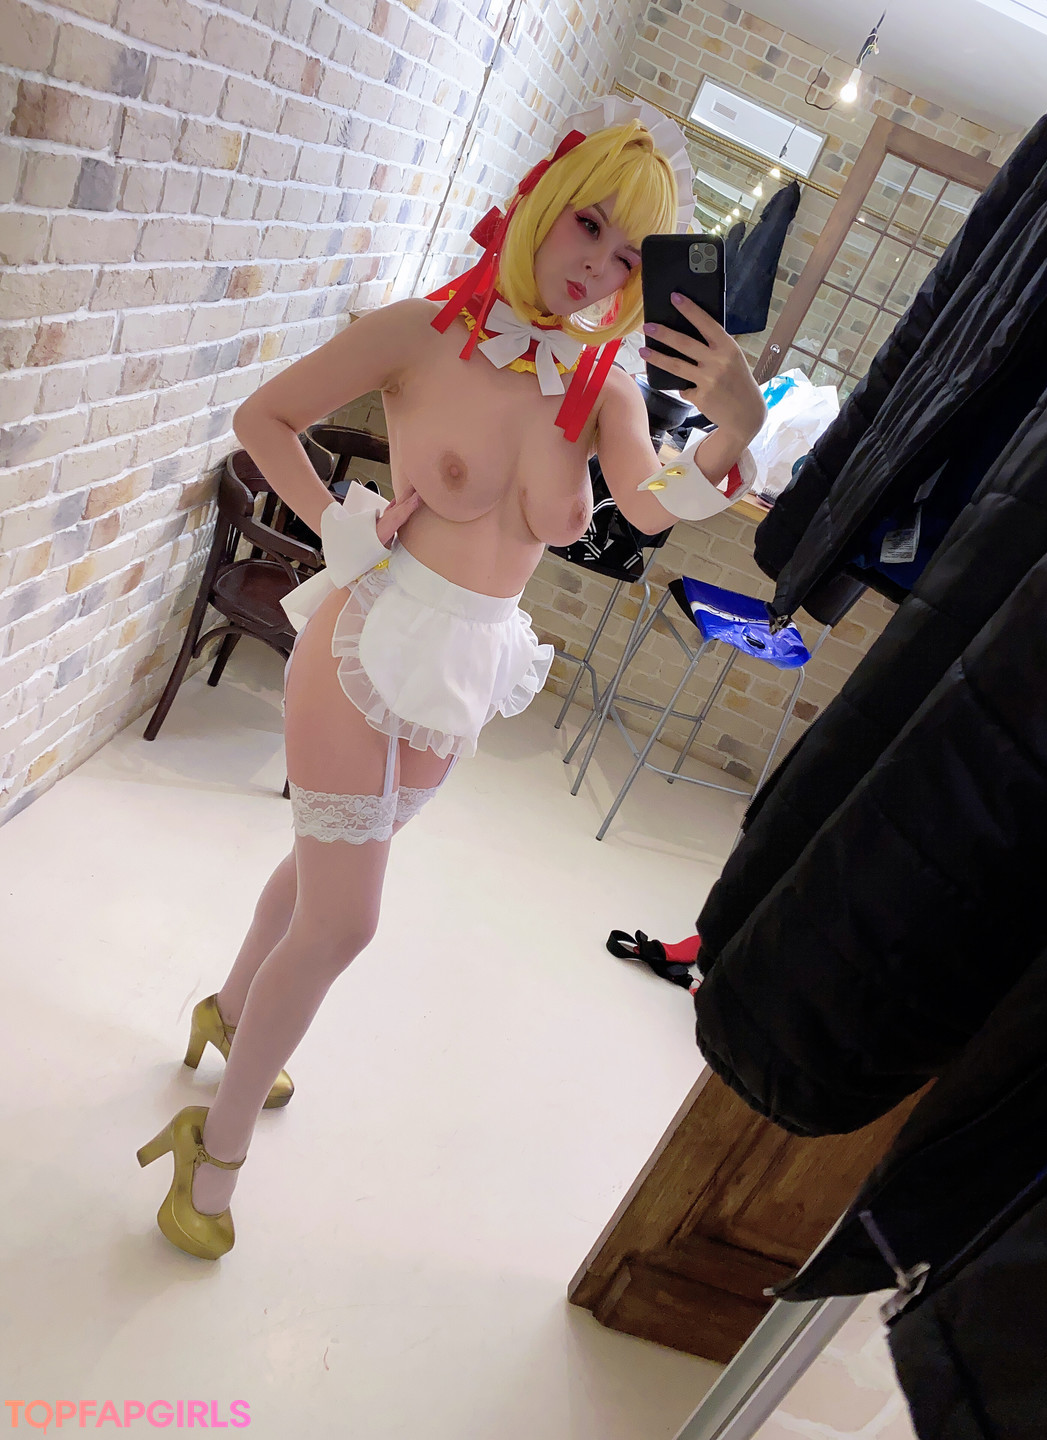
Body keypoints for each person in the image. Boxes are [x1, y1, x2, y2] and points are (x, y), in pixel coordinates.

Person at [135, 97, 767, 1260]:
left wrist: (735, 424)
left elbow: (646, 509)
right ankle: (210, 1158)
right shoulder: (426, 331)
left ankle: (231, 1012)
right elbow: (265, 417)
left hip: (472, 660)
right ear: (542, 204)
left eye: (630, 258)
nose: (597, 269)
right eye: (588, 226)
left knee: (318, 878)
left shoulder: (604, 389)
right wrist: (336, 523)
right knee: (346, 922)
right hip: (367, 637)